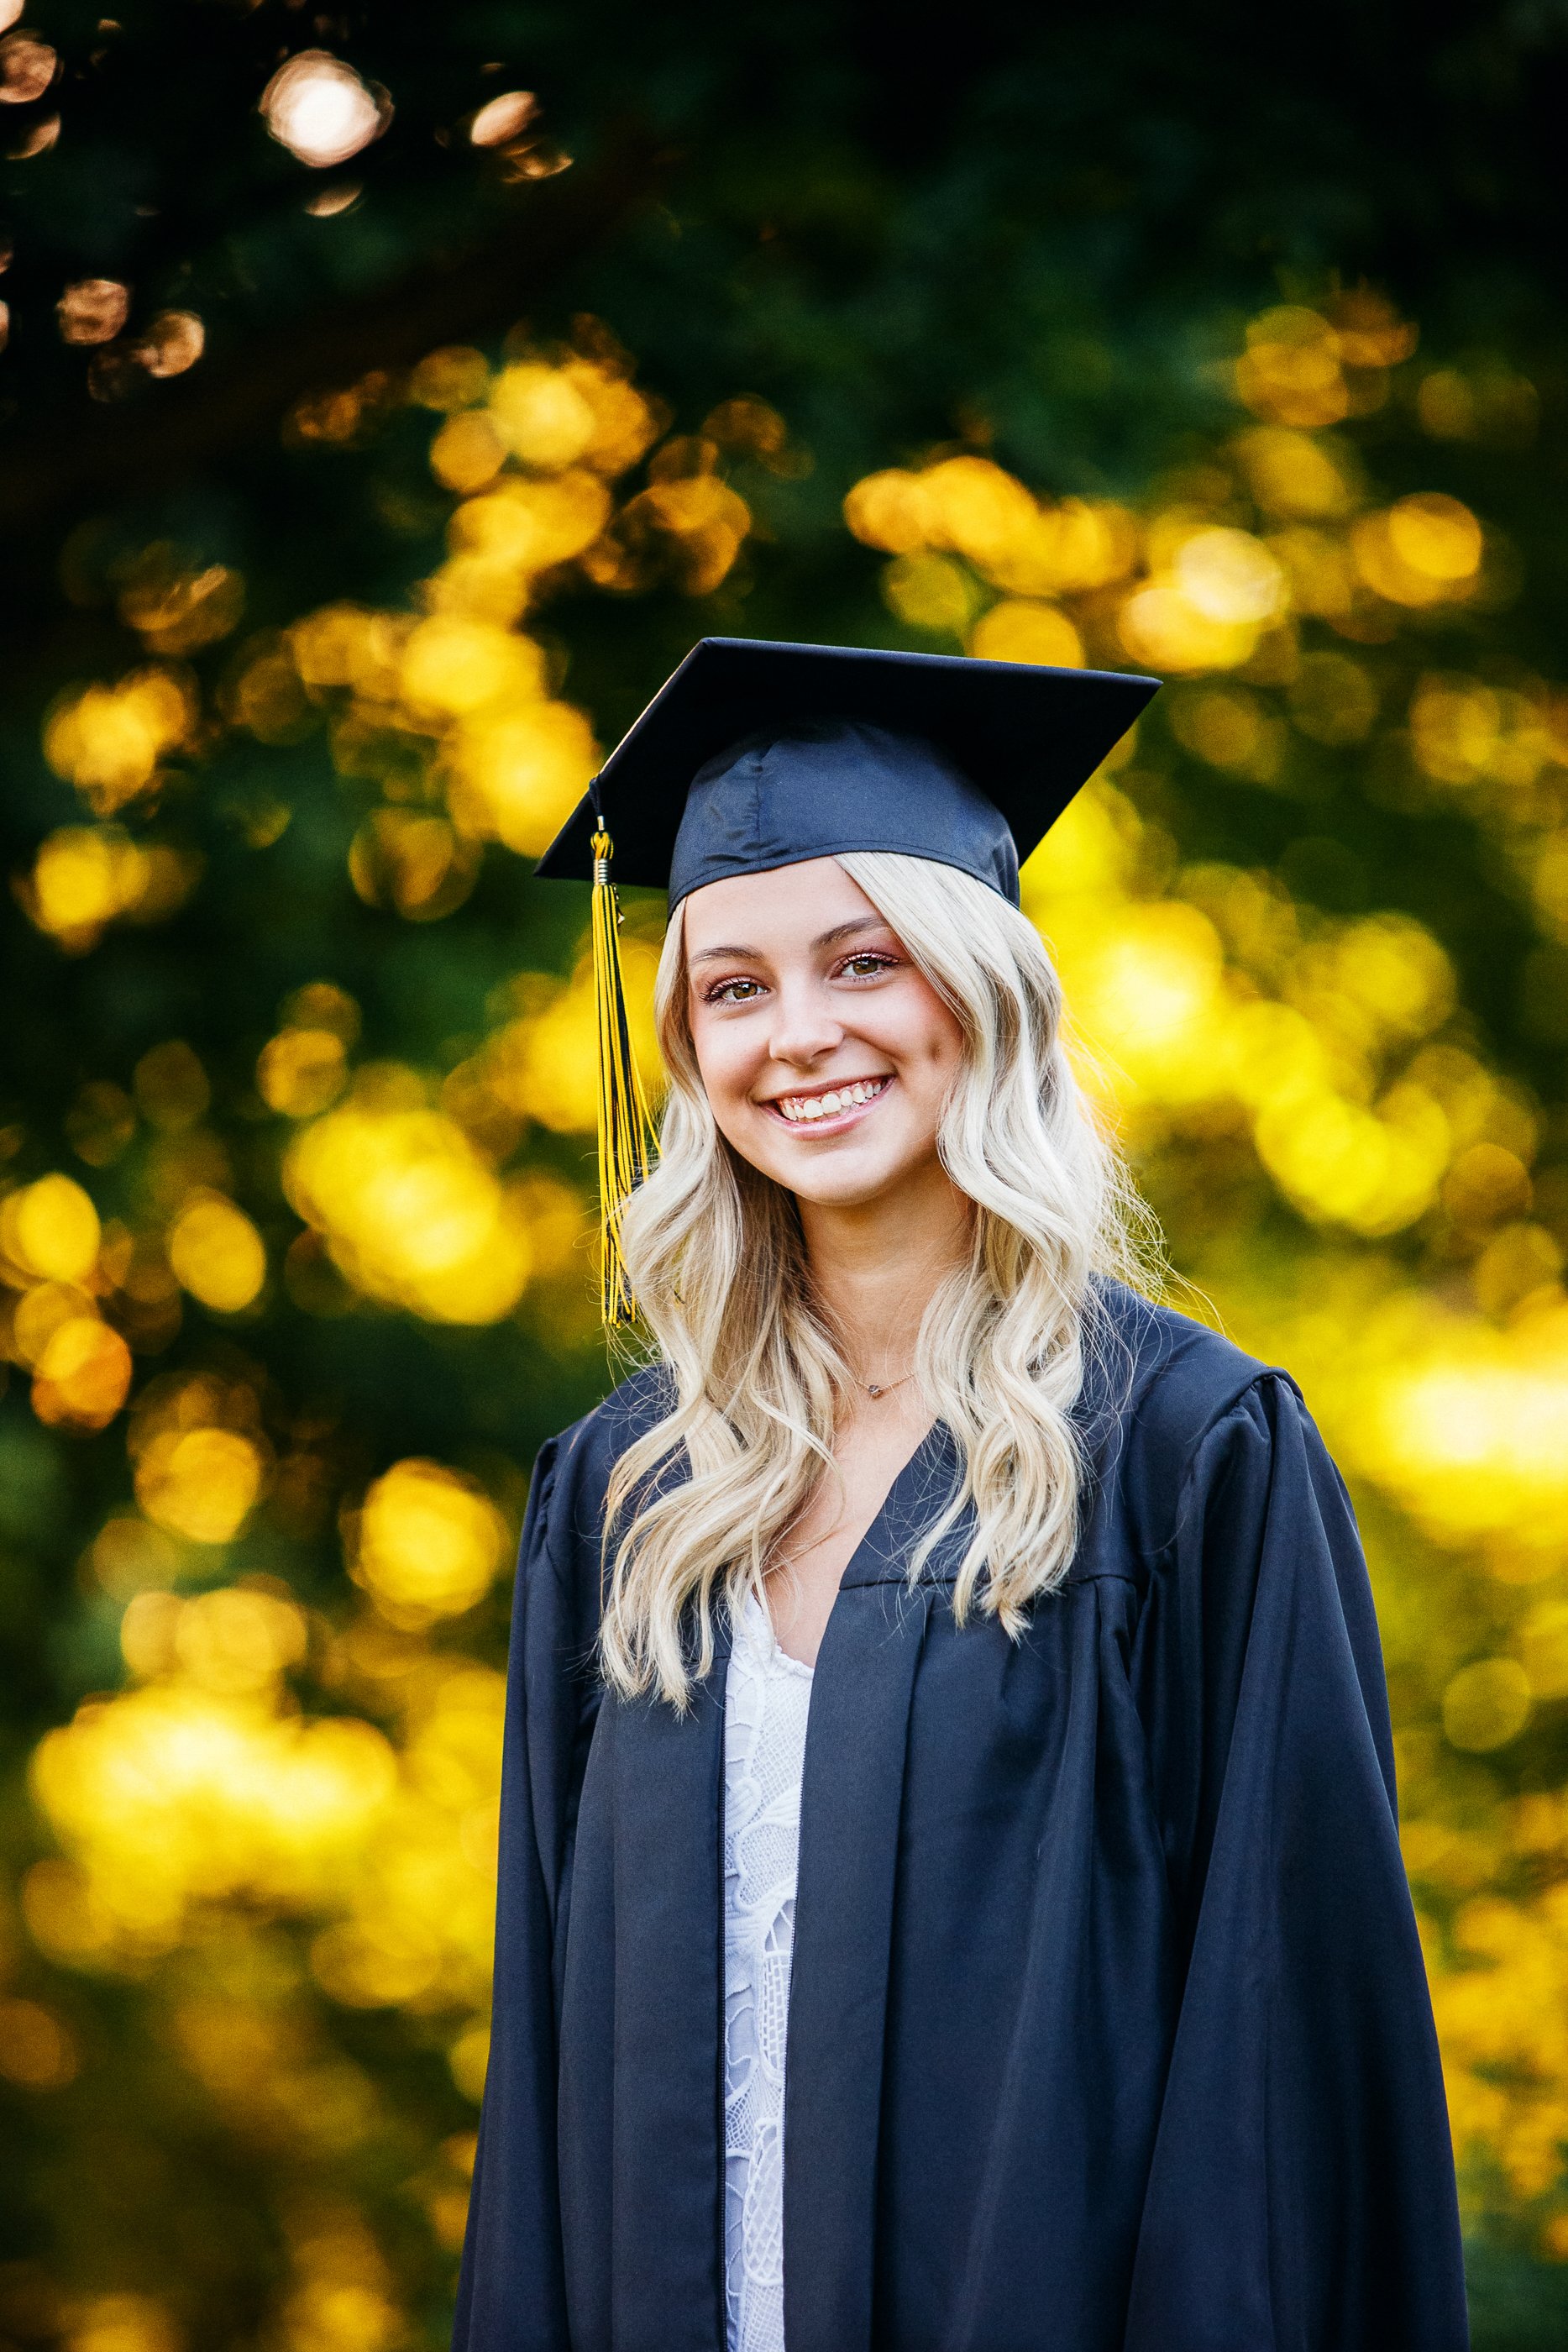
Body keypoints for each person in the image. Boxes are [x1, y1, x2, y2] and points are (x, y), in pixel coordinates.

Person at [454, 639, 1469, 2352]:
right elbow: (543, 2079)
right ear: (688, 1048)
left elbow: (1277, 2056)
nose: (801, 1036)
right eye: (734, 988)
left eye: (863, 961)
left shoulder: (1184, 1456)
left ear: (977, 986)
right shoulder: (629, 1493)